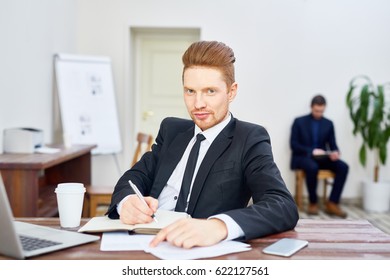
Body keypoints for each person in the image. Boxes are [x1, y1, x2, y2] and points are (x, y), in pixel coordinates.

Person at [106, 40, 299, 249]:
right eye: (190, 91)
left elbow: (282, 205)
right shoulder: (171, 130)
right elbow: (134, 177)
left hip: (195, 251)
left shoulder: (249, 138)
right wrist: (127, 202)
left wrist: (218, 226)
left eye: (210, 91)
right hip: (142, 240)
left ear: (231, 92)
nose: (198, 104)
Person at [290, 95, 349, 218]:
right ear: (311, 107)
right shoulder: (299, 121)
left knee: (343, 167)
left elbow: (332, 145)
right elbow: (294, 144)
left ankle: (332, 202)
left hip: (322, 158)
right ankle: (313, 202)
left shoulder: (328, 124)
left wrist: (335, 152)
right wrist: (312, 151)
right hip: (303, 157)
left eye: (321, 111)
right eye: (316, 111)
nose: (319, 113)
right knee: (312, 167)